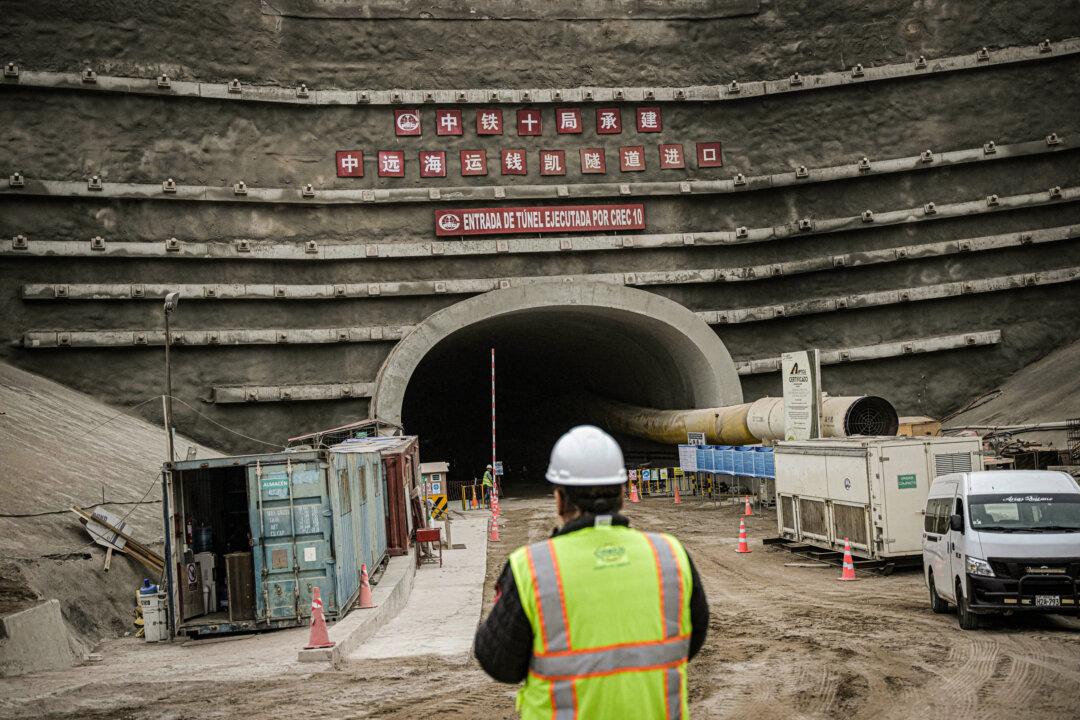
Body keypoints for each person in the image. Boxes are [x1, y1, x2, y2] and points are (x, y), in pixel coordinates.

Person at [474, 425, 709, 719]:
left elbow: (499, 662)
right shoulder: (670, 556)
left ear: (559, 498)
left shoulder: (532, 568)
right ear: (622, 493)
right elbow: (693, 638)